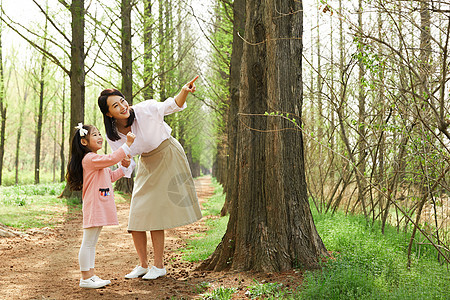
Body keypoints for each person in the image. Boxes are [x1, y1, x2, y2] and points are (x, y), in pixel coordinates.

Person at [97, 76, 202, 280]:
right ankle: (143, 265)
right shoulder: (113, 134)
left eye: (122, 101)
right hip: (147, 161)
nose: (122, 107)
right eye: (115, 106)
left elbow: (173, 105)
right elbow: (125, 160)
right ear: (108, 113)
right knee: (137, 213)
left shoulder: (145, 110)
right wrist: (125, 165)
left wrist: (184, 90)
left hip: (167, 154)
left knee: (155, 213)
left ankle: (159, 266)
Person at [66, 123, 136, 288]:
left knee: (92, 242)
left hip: (99, 205)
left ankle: (91, 275)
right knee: (88, 242)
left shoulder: (96, 160)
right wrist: (127, 145)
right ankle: (85, 277)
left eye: (99, 134)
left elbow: (110, 176)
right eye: (95, 134)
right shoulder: (90, 158)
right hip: (93, 205)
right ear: (84, 142)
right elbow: (112, 159)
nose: (99, 137)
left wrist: (123, 167)